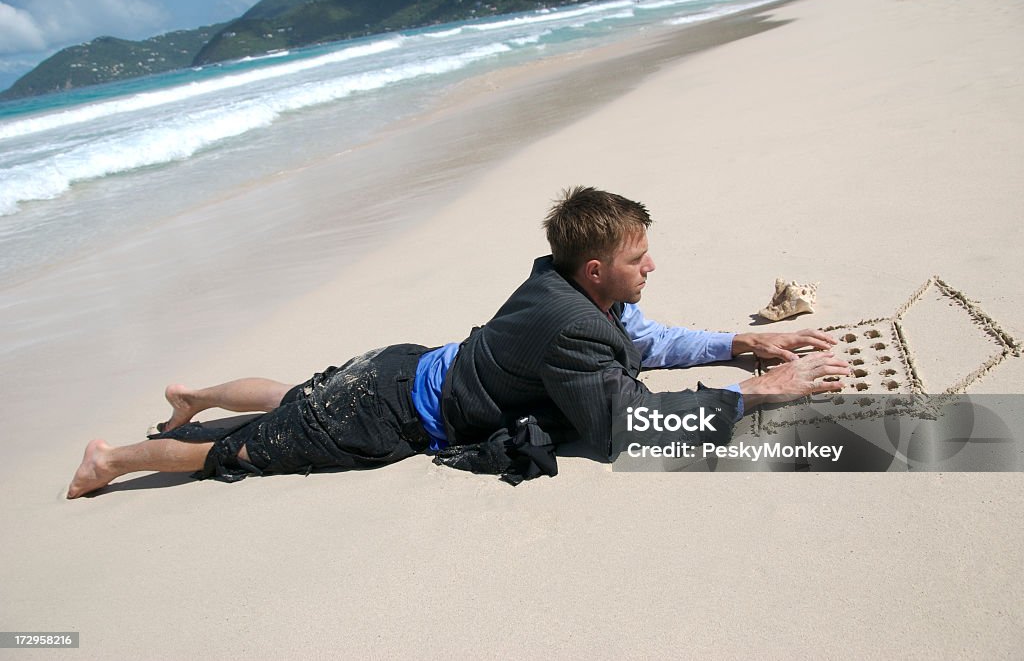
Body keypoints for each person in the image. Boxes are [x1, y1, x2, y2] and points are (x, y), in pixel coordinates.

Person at [67, 187, 849, 498]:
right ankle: (114, 458)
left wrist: (734, 342)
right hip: (387, 414)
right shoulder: (575, 322)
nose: (653, 265)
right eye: (639, 257)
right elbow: (624, 427)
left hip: (401, 366)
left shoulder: (563, 285)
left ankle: (192, 394)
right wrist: (755, 395)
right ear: (597, 267)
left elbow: (645, 339)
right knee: (236, 451)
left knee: (295, 399)